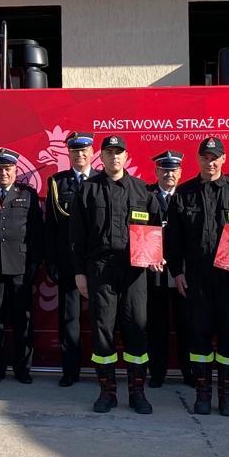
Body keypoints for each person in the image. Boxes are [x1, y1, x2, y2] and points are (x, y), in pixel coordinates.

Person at [166, 136, 229, 417]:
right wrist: (177, 272)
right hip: (196, 280)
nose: (210, 162)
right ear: (198, 159)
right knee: (199, 337)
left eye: (215, 158)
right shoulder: (184, 194)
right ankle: (203, 395)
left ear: (223, 159)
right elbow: (172, 239)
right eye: (205, 157)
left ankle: (228, 397)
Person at [72, 135, 162, 414]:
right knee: (103, 330)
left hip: (135, 270)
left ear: (126, 156)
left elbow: (156, 227)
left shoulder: (142, 191)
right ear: (101, 157)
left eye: (118, 152)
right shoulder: (88, 190)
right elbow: (76, 236)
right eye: (109, 152)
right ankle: (107, 392)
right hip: (100, 269)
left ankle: (137, 393)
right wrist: (79, 273)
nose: (114, 157)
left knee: (137, 327)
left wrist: (156, 255)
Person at [0, 149, 43, 384]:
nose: (3, 173)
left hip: (20, 266)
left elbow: (36, 233)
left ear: (16, 171)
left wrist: (34, 264)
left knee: (22, 320)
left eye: (7, 169)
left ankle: (22, 369)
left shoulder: (27, 195)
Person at [45, 132, 97, 386]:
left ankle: (103, 372)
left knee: (102, 319)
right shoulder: (57, 182)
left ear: (92, 152)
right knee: (69, 320)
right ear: (69, 154)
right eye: (75, 151)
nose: (80, 155)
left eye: (84, 150)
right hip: (68, 263)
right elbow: (51, 227)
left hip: (98, 263)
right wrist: (52, 262)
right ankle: (70, 371)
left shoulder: (102, 180)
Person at [144, 151, 183, 388]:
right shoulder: (145, 195)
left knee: (186, 323)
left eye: (173, 170)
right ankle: (157, 373)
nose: (169, 174)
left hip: (182, 272)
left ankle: (189, 372)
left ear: (180, 172)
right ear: (157, 172)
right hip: (154, 271)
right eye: (164, 170)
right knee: (156, 325)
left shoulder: (188, 195)